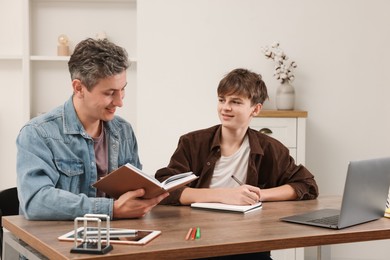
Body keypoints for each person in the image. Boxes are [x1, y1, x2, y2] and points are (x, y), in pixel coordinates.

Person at [155, 68, 319, 259]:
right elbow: (165, 189)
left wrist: (259, 195)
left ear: (255, 109)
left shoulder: (270, 149)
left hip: (248, 245)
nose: (225, 107)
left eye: (235, 102)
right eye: (222, 100)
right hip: (199, 242)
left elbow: (307, 185)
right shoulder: (192, 143)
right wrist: (225, 196)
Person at [16, 38, 168, 220]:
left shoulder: (124, 131)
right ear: (79, 88)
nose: (120, 102)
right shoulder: (38, 133)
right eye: (109, 93)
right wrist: (111, 209)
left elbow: (135, 191)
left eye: (122, 90)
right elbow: (36, 202)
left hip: (116, 239)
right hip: (55, 242)